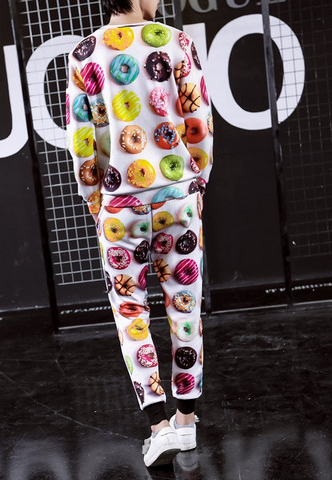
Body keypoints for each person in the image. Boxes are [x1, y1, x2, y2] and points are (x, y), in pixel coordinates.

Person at [65, 0, 213, 468]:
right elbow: (200, 124)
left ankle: (159, 427)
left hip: (119, 206)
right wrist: (198, 183)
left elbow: (82, 142)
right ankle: (187, 420)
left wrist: (94, 198)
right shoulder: (176, 43)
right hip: (177, 198)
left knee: (131, 313)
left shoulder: (85, 54)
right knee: (185, 306)